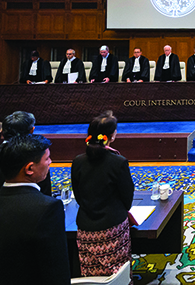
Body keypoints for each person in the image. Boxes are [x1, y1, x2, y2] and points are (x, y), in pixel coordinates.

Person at [0, 134, 70, 285]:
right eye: (47, 159)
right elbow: (56, 270)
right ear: (30, 168)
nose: (50, 163)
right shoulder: (48, 208)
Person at [71, 112, 134, 279]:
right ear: (111, 136)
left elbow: (78, 196)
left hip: (85, 228)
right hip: (112, 227)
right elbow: (127, 199)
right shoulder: (118, 162)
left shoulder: (77, 161)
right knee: (118, 275)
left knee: (90, 275)